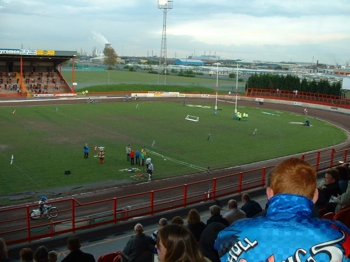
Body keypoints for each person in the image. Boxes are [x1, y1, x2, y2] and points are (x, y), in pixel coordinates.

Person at [215, 157, 350, 261]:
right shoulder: (338, 234)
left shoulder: (234, 232)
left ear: (269, 194)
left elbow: (219, 245)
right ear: (315, 196)